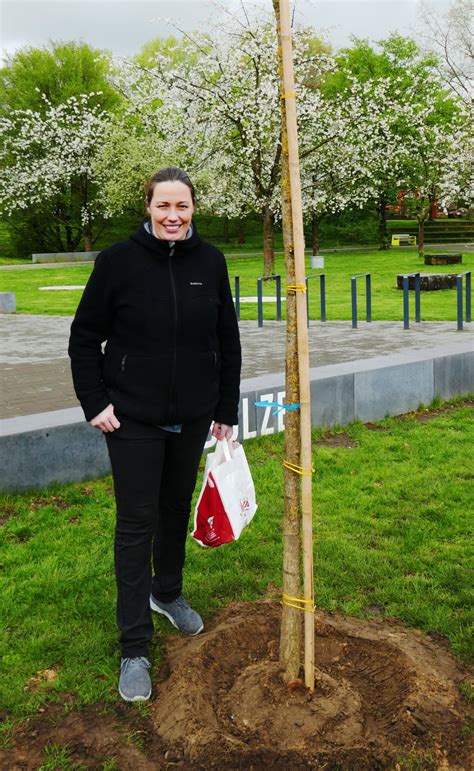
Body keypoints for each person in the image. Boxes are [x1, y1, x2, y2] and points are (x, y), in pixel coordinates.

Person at [68, 167, 241, 702]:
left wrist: (224, 408)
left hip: (191, 416)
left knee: (173, 510)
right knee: (136, 523)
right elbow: (83, 339)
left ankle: (167, 594)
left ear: (194, 209)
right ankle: (134, 647)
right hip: (133, 419)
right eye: (163, 206)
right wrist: (95, 403)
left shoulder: (210, 262)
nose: (172, 216)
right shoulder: (117, 263)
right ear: (148, 207)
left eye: (182, 207)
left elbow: (226, 340)